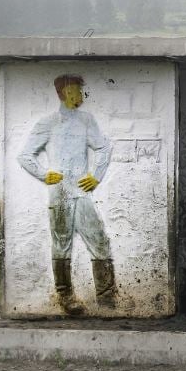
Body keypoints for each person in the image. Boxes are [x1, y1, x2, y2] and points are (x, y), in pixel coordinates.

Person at [17, 74, 116, 314]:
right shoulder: (47, 123)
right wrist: (43, 174)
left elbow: (103, 147)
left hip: (81, 192)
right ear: (63, 93)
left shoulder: (86, 120)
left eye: (81, 90)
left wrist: (96, 175)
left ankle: (107, 298)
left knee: (99, 240)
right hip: (59, 193)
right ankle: (65, 297)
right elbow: (25, 155)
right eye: (75, 90)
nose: (80, 94)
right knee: (61, 243)